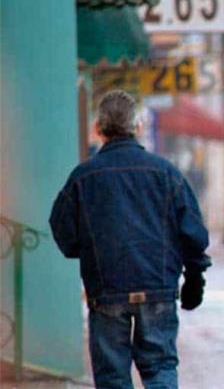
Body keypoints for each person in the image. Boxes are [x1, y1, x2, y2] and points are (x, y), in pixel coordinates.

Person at [49, 90, 211, 389]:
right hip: (158, 288)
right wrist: (194, 279)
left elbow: (64, 232)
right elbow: (192, 231)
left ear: (99, 128)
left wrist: (89, 250)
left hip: (106, 289)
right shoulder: (166, 173)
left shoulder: (83, 177)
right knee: (160, 367)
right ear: (136, 126)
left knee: (112, 377)